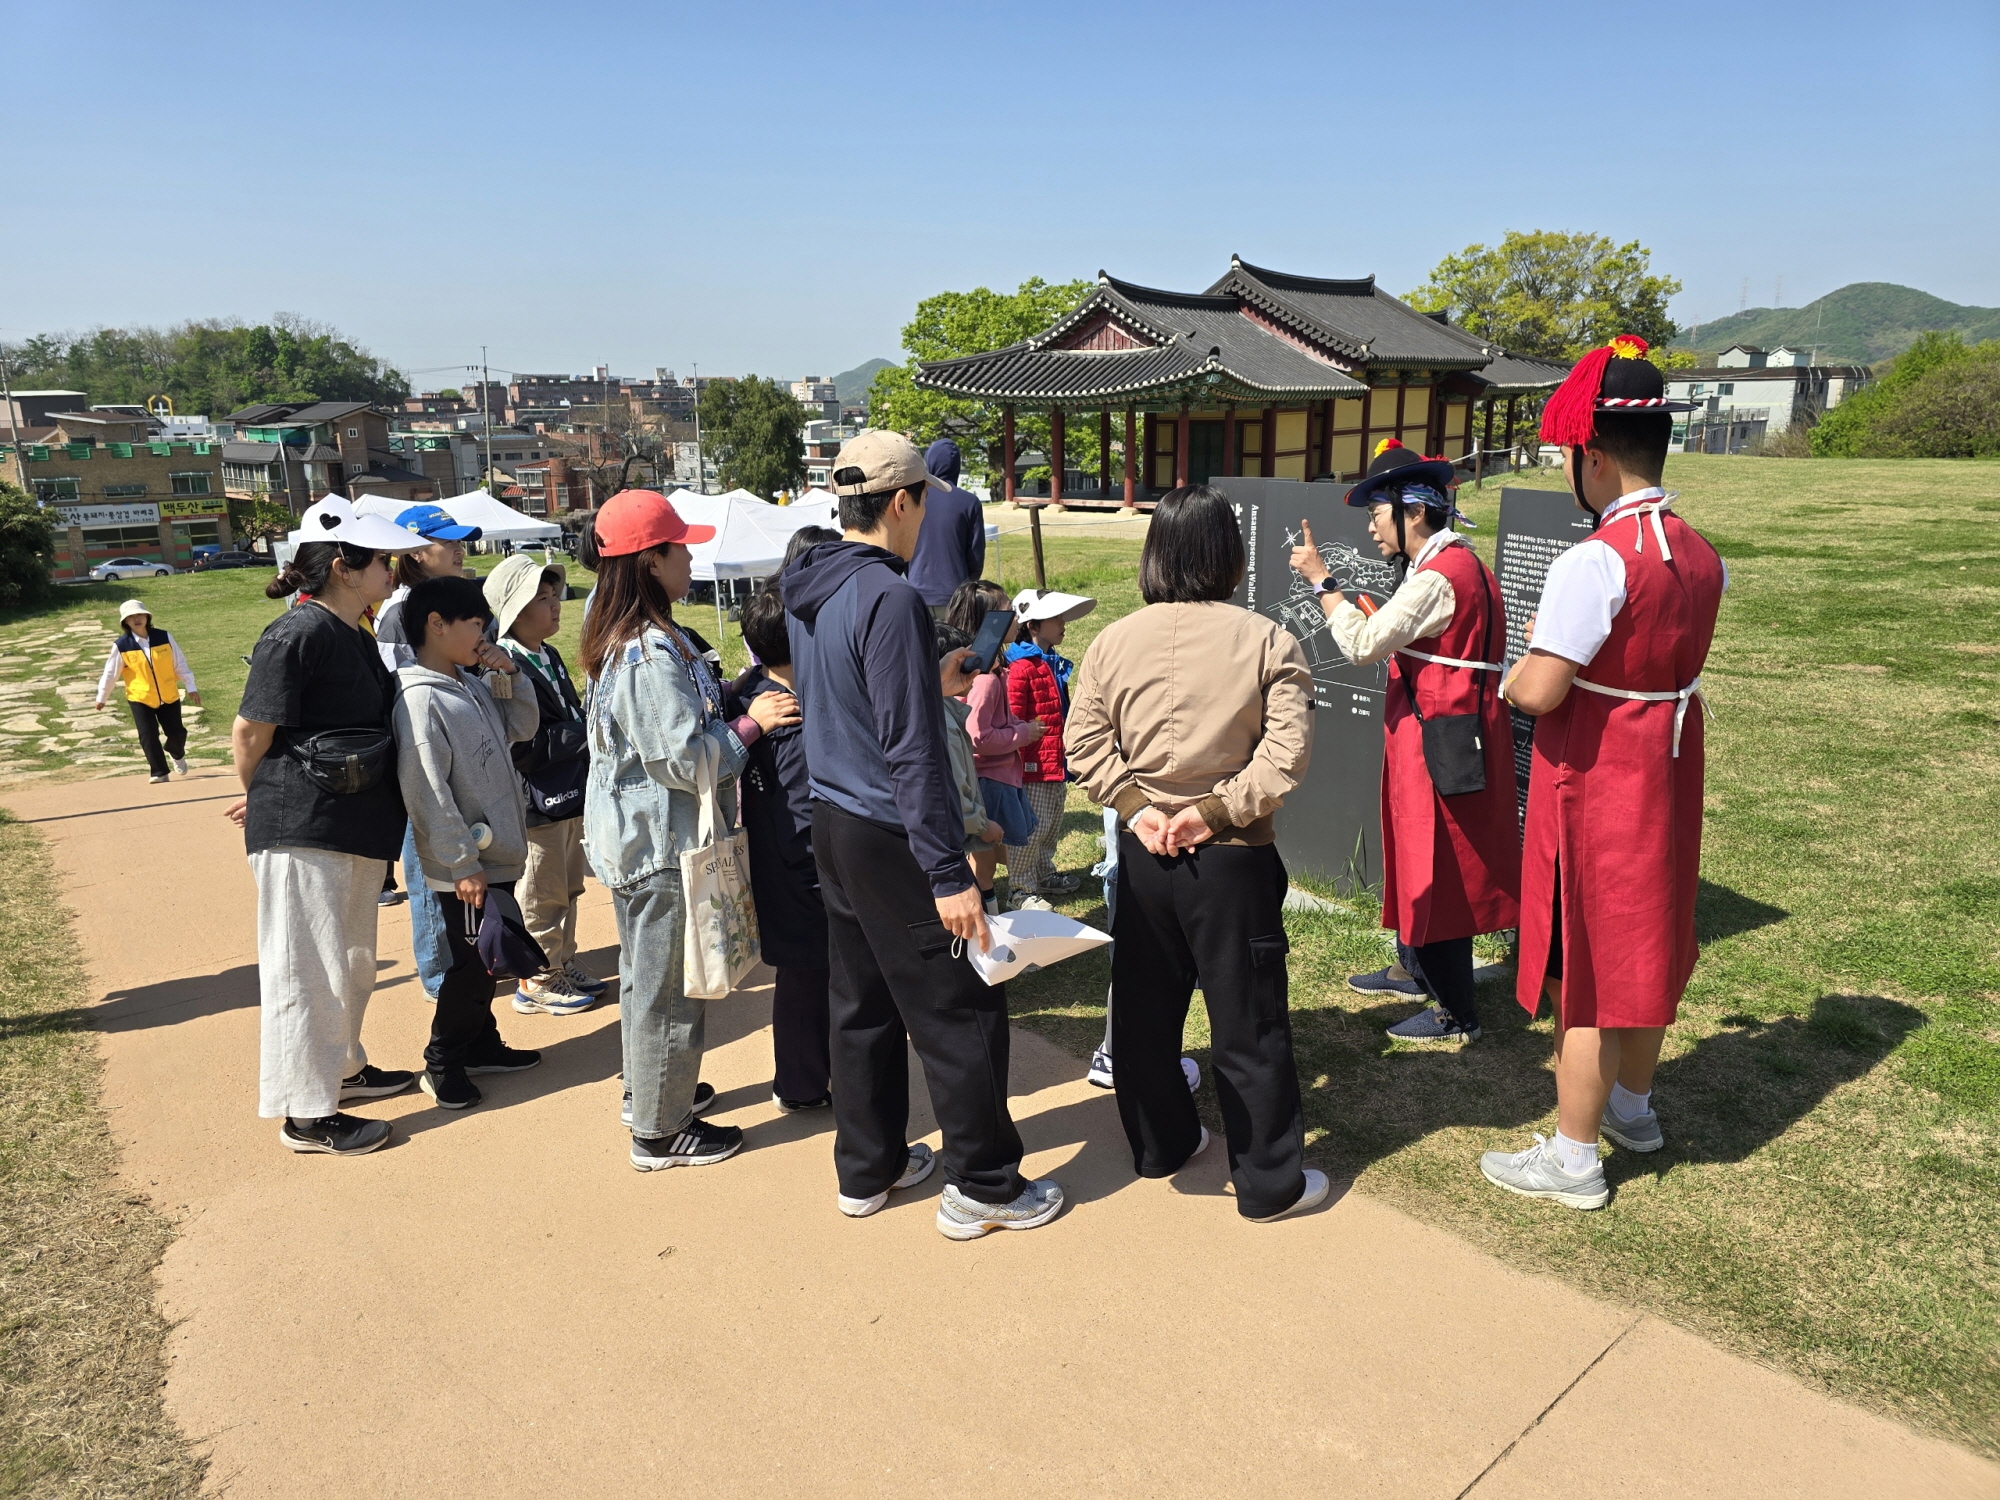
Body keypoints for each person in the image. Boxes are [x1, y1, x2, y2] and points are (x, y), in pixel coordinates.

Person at [782, 428, 1063, 1238]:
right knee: (961, 1001)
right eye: (920, 507)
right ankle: (986, 1183)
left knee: (860, 1001)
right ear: (901, 502)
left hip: (831, 820)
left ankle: (867, 1167)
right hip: (888, 826)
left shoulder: (806, 582)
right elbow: (909, 742)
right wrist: (947, 870)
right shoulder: (890, 597)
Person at [1480, 334, 1722, 1210]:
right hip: (1665, 756)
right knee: (1649, 935)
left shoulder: (1597, 557)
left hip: (1597, 768)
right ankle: (1634, 1106)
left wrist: (1510, 675)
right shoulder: (1698, 551)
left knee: (1584, 960)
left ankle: (1574, 1157)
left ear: (1592, 456)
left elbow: (1541, 689)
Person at [1065, 483, 1324, 1223]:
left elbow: (1082, 743)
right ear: (1229, 555)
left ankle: (1159, 1146)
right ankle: (1269, 1183)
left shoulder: (1114, 641)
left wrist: (1137, 807)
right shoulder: (1268, 640)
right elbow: (1285, 754)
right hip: (1233, 853)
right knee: (1247, 1021)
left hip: (1144, 850)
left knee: (1146, 1012)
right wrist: (1213, 812)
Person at [580, 490, 799, 1170]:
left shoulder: (639, 638)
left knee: (649, 983)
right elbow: (683, 759)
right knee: (668, 989)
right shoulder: (647, 651)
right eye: (680, 547)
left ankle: (650, 1093)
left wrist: (728, 699)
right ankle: (659, 1130)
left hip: (642, 841)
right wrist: (750, 724)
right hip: (659, 847)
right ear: (650, 561)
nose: (690, 557)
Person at [1290, 439, 1520, 1043]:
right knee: (1423, 854)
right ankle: (1415, 969)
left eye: (1375, 514)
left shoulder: (1439, 577)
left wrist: (1322, 583)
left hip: (1441, 739)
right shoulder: (1453, 566)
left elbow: (1365, 643)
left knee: (1440, 865)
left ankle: (1454, 1009)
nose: (1371, 529)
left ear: (1413, 512)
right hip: (1444, 733)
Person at [226, 497, 426, 1157]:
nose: (392, 572)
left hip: (346, 825)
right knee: (305, 970)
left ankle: (342, 1069)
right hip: (304, 824)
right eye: (382, 562)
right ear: (344, 567)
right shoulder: (298, 633)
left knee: (350, 963)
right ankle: (307, 1112)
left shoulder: (352, 634)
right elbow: (251, 729)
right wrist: (261, 796)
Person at [394, 575, 545, 1108]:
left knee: (487, 957)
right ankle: (442, 1061)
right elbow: (428, 791)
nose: (485, 635)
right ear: (437, 625)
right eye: (476, 624)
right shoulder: (418, 700)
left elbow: (520, 728)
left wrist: (509, 674)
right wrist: (461, 863)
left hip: (493, 853)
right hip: (467, 862)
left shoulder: (468, 682)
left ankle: (481, 1042)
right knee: (468, 967)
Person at [483, 554, 604, 1016]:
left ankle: (561, 961)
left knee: (569, 884)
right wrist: (583, 734)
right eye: (542, 598)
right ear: (513, 612)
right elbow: (521, 742)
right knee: (541, 889)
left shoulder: (546, 654)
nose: (556, 606)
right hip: (535, 800)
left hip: (567, 793)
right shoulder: (502, 666)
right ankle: (536, 977)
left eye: (555, 596)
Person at [374, 503, 483, 1003]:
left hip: (465, 747)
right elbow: (401, 689)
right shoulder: (400, 611)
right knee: (428, 867)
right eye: (449, 541)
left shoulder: (456, 598)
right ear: (417, 551)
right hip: (425, 751)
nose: (460, 548)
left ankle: (464, 966)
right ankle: (439, 977)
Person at [734, 586, 832, 1111]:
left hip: (773, 860)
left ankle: (803, 1078)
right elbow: (802, 806)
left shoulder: (750, 690)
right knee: (809, 979)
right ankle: (802, 1083)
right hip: (801, 867)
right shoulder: (789, 713)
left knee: (803, 978)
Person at [946, 578, 1051, 912]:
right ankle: (989, 920)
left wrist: (1017, 726)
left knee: (992, 855)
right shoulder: (987, 681)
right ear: (987, 623)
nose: (1016, 617)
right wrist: (1022, 735)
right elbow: (979, 736)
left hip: (995, 777)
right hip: (989, 780)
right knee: (984, 862)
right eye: (1008, 611)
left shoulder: (987, 672)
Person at [1005, 587, 1095, 899]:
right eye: (1055, 618)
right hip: (1032, 765)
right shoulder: (1020, 667)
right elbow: (1013, 716)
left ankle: (1043, 874)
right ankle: (1020, 887)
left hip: (1054, 760)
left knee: (1051, 823)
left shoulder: (1050, 662)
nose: (1063, 623)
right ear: (1032, 625)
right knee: (1033, 829)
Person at [935, 622, 1008, 912]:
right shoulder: (945, 725)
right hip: (950, 844)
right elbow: (952, 789)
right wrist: (982, 824)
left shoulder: (944, 714)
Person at [95, 599, 200, 783]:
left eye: (139, 614)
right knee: (148, 735)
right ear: (125, 622)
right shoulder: (122, 645)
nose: (136, 619)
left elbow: (179, 663)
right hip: (140, 697)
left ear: (147, 616)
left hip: (168, 695)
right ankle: (159, 772)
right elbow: (110, 673)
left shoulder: (164, 637)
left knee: (177, 733)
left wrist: (190, 686)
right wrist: (102, 697)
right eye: (131, 617)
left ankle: (176, 753)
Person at [908, 437, 987, 612]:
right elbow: (975, 556)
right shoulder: (969, 502)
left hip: (917, 592)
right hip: (956, 596)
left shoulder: (915, 498)